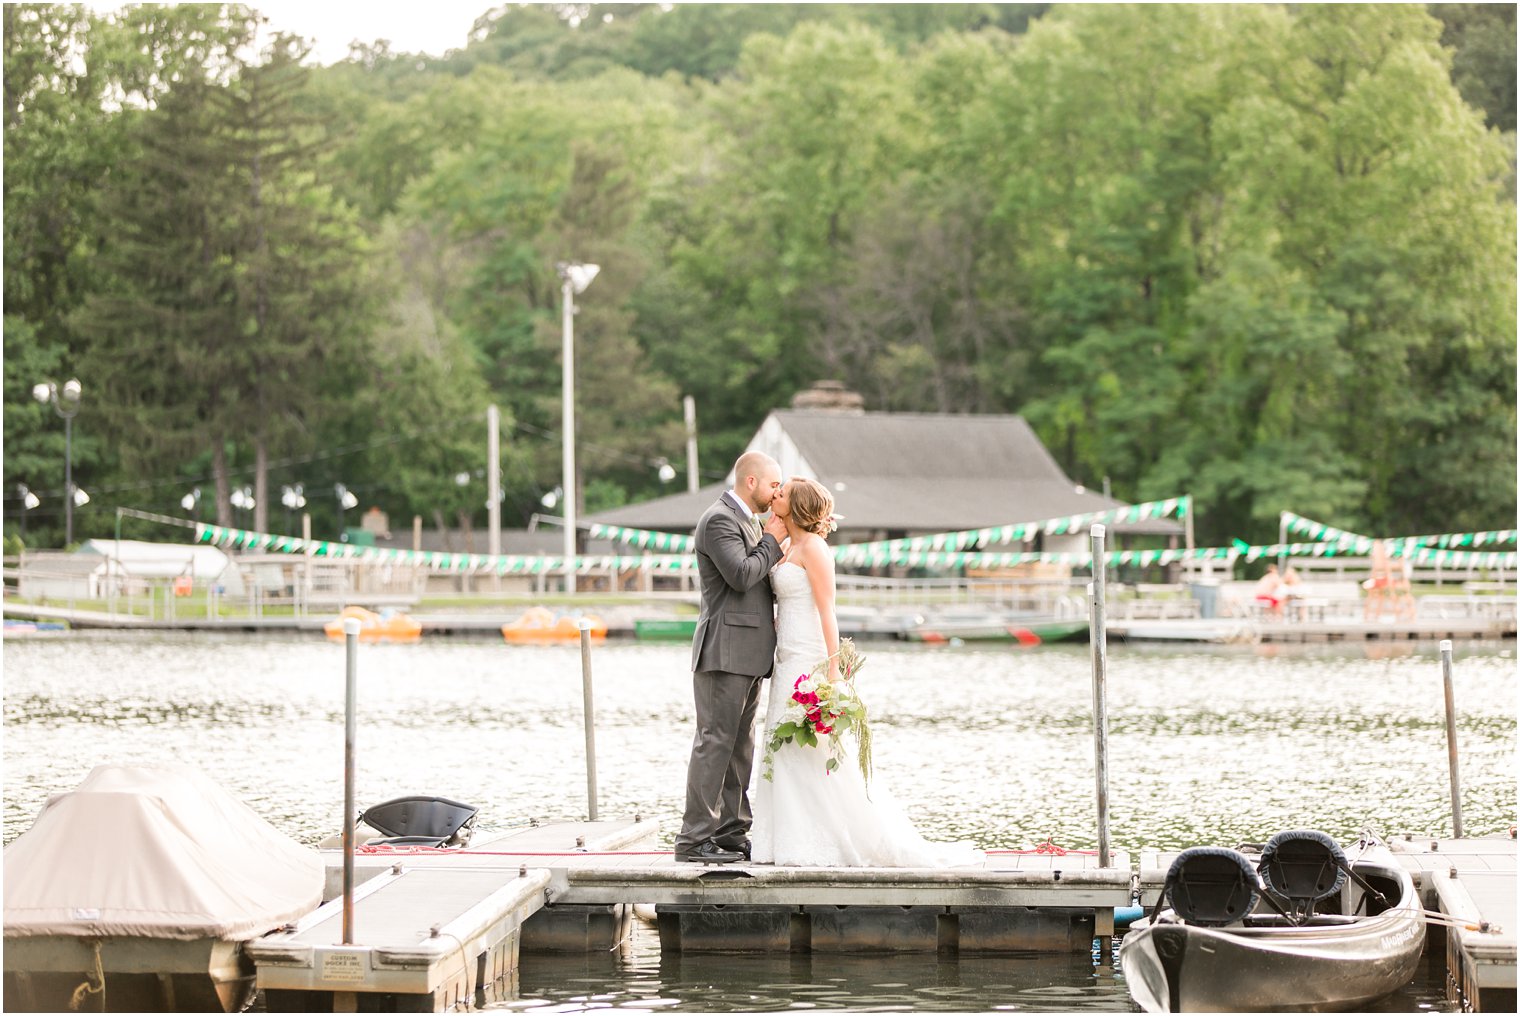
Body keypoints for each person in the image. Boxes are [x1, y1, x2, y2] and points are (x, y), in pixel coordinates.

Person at [749, 477, 981, 867]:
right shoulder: (786, 546)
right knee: (781, 746)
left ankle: (837, 839)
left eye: (783, 493)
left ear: (798, 505)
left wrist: (833, 673)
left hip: (810, 659)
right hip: (785, 658)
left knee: (818, 751)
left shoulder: (816, 549)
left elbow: (828, 611)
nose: (775, 495)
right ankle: (783, 839)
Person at [674, 451, 788, 864]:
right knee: (714, 742)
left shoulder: (749, 521)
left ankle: (731, 831)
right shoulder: (719, 519)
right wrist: (773, 540)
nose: (778, 493)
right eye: (774, 485)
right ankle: (693, 840)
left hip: (749, 654)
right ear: (752, 482)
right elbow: (740, 574)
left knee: (740, 746)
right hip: (723, 651)